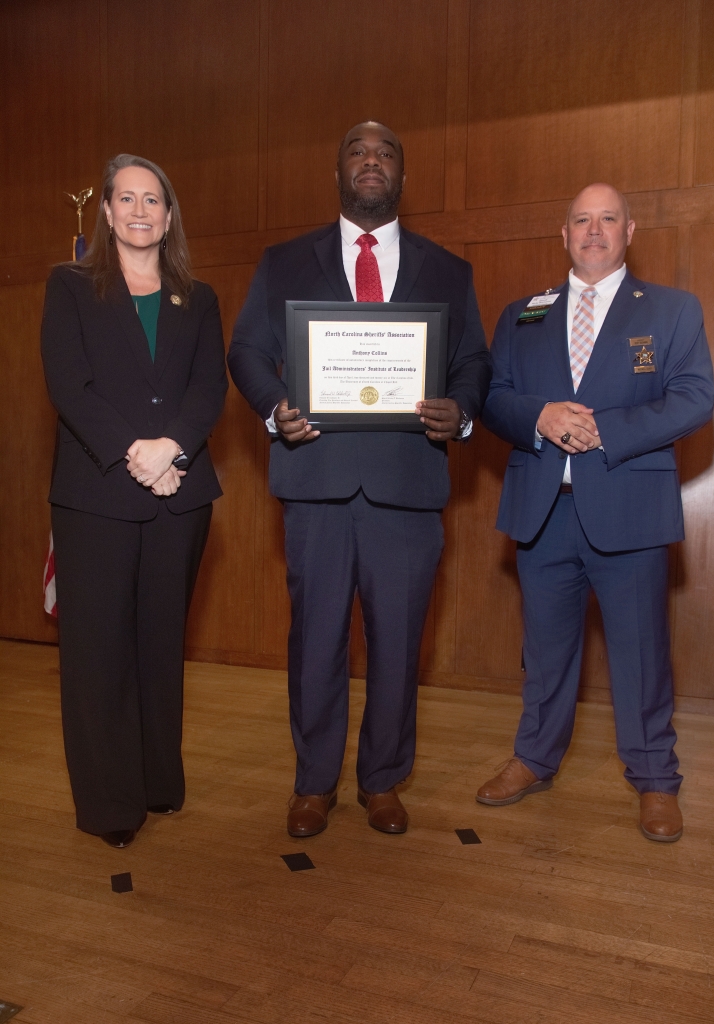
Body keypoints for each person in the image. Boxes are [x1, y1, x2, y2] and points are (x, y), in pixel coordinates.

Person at [228, 121, 491, 838]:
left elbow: (473, 361)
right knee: (316, 642)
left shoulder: (449, 270)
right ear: (339, 171)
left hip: (407, 485)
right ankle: (313, 783)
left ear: (402, 175)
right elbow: (246, 349)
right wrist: (273, 408)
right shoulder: (284, 262)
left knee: (399, 644)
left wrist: (462, 410)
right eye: (357, 151)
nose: (371, 161)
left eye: (386, 153)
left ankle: (382, 780)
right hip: (316, 480)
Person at [477, 183, 714, 842]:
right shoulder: (522, 315)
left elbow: (694, 398)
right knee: (545, 651)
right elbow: (493, 397)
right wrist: (541, 416)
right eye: (581, 220)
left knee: (641, 652)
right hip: (542, 511)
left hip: (630, 510)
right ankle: (534, 758)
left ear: (629, 231)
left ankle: (655, 777)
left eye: (608, 218)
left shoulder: (672, 310)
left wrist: (602, 429)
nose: (594, 230)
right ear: (564, 235)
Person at [41, 154, 227, 849]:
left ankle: (157, 782)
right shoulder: (69, 286)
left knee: (159, 642)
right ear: (107, 212)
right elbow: (69, 384)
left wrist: (171, 448)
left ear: (169, 216)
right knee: (99, 653)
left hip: (181, 496)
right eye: (127, 198)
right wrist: (138, 454)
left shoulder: (198, 298)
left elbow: (209, 387)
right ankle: (111, 805)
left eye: (153, 200)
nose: (140, 210)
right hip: (96, 495)